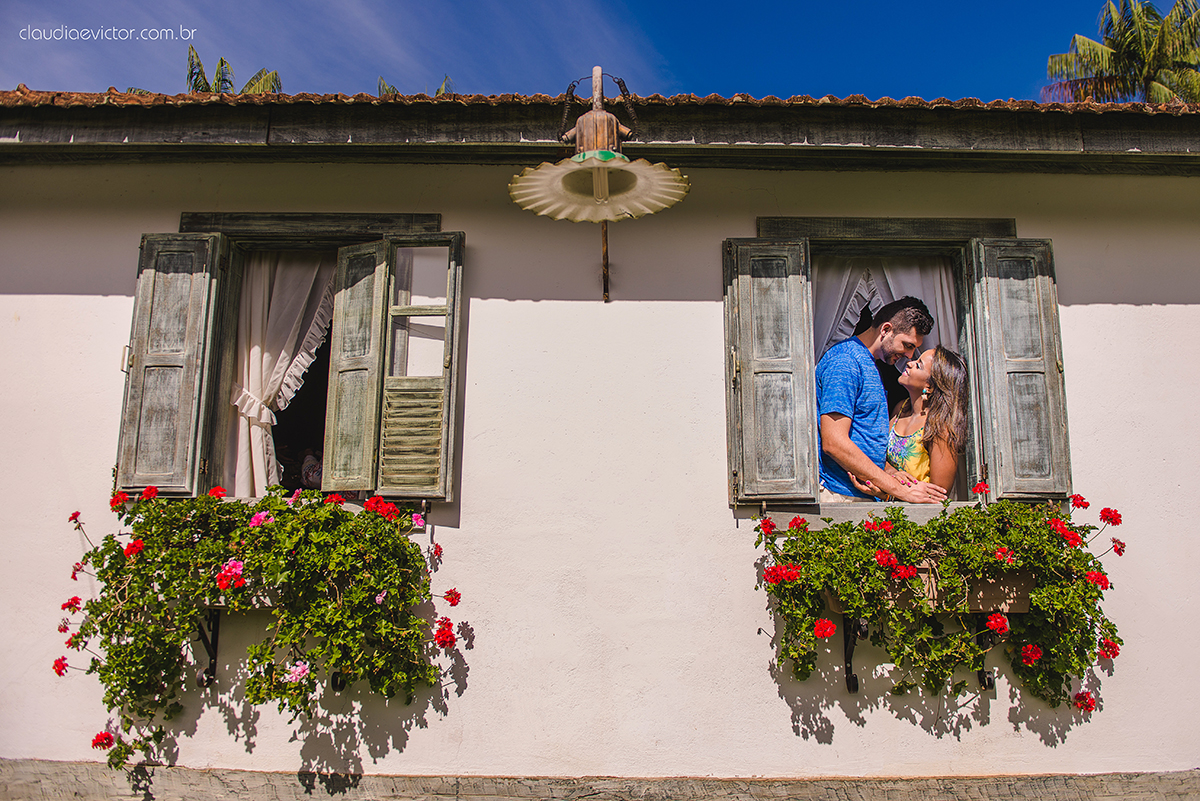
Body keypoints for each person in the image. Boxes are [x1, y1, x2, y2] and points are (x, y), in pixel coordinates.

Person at [815, 297, 947, 504]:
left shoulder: (868, 363)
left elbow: (861, 437)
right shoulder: (845, 362)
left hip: (859, 497)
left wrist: (889, 470)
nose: (910, 355)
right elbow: (834, 443)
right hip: (840, 497)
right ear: (886, 329)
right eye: (907, 345)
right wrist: (899, 490)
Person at [883, 346, 969, 493]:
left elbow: (938, 494)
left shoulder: (939, 429)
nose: (910, 363)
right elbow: (879, 454)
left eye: (919, 365)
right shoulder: (901, 409)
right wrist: (890, 472)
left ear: (929, 386)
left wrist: (891, 493)